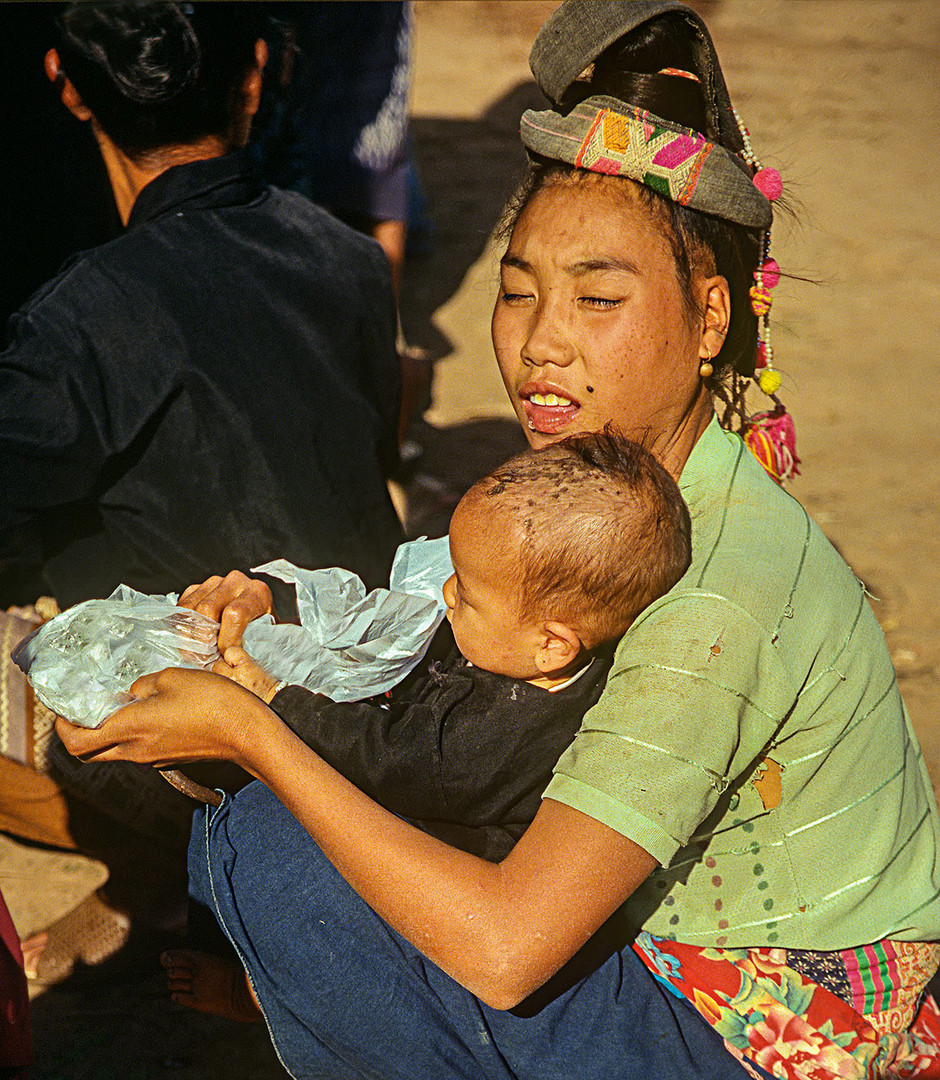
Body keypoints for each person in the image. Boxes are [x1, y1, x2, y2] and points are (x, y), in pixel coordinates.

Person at [55, 3, 940, 1078]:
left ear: (710, 319)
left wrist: (255, 735)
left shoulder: (713, 594)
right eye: (516, 291)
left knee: (269, 841)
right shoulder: (622, 497)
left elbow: (510, 954)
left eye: (597, 297)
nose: (538, 345)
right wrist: (279, 615)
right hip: (649, 953)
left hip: (759, 1033)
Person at [0, 0, 404, 960]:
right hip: (377, 701)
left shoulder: (76, 319)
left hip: (225, 742)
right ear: (257, 73)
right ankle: (171, 878)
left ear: (65, 84)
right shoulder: (349, 261)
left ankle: (184, 869)